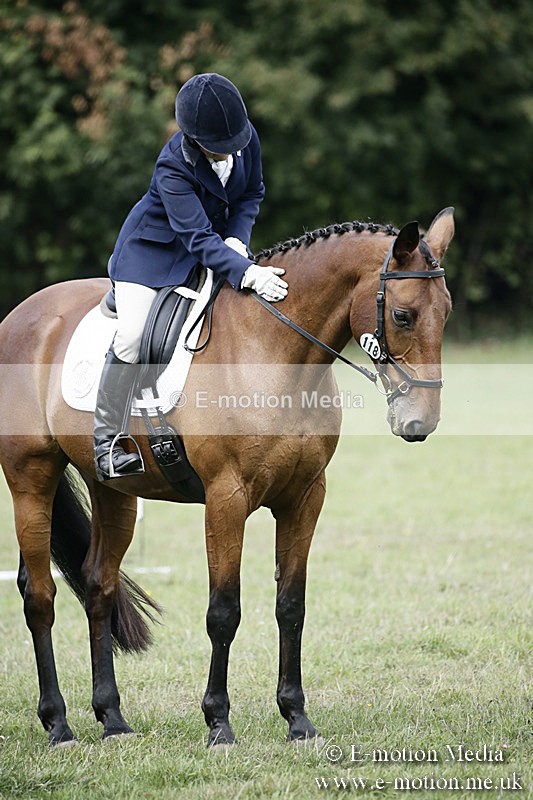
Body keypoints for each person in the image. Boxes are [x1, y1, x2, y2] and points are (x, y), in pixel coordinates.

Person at [93, 73, 288, 481]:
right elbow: (196, 237)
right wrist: (247, 273)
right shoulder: (172, 167)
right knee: (132, 335)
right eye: (220, 147)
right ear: (195, 140)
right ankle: (107, 441)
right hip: (153, 254)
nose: (231, 152)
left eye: (234, 142)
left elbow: (252, 193)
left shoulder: (244, 137)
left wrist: (237, 239)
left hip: (215, 245)